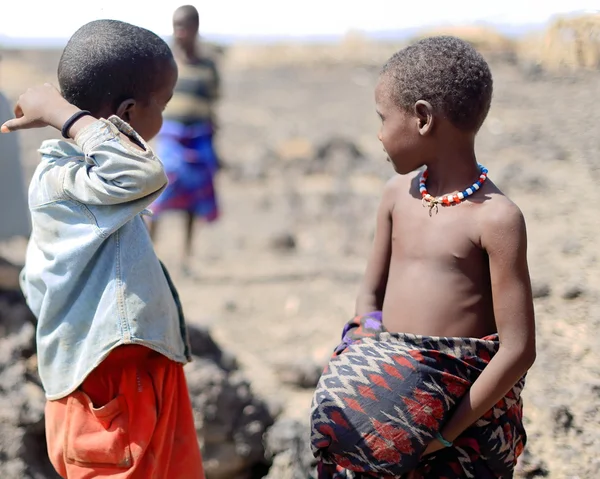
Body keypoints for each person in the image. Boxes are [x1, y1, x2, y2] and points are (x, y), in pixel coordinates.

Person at [311, 36, 536, 478]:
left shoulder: (497, 220)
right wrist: (368, 365)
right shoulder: (397, 196)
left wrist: (441, 432)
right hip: (383, 416)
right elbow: (370, 296)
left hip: (461, 430)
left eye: (382, 118)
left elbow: (518, 348)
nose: (377, 133)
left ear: (422, 118)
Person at [1, 19, 205, 479]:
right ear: (129, 113)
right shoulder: (67, 180)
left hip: (142, 369)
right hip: (105, 385)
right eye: (163, 105)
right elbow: (143, 174)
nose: (165, 118)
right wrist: (63, 114)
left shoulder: (91, 175)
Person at [148, 5, 221, 274]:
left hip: (199, 139)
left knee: (192, 202)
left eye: (185, 26)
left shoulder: (207, 66)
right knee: (158, 196)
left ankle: (185, 258)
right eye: (176, 26)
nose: (180, 32)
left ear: (196, 28)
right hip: (171, 139)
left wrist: (214, 144)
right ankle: (148, 256)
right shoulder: (165, 63)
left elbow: (213, 101)